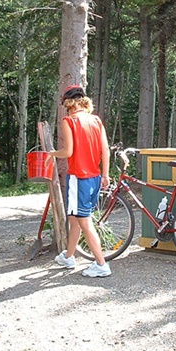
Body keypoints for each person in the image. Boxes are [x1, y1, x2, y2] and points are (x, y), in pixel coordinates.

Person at [46, 85, 111, 278]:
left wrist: (52, 153)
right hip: (95, 176)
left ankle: (101, 263)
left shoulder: (69, 121)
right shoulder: (96, 120)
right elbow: (105, 150)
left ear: (68, 103)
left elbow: (68, 152)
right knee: (75, 218)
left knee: (84, 222)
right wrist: (105, 175)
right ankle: (69, 256)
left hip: (78, 178)